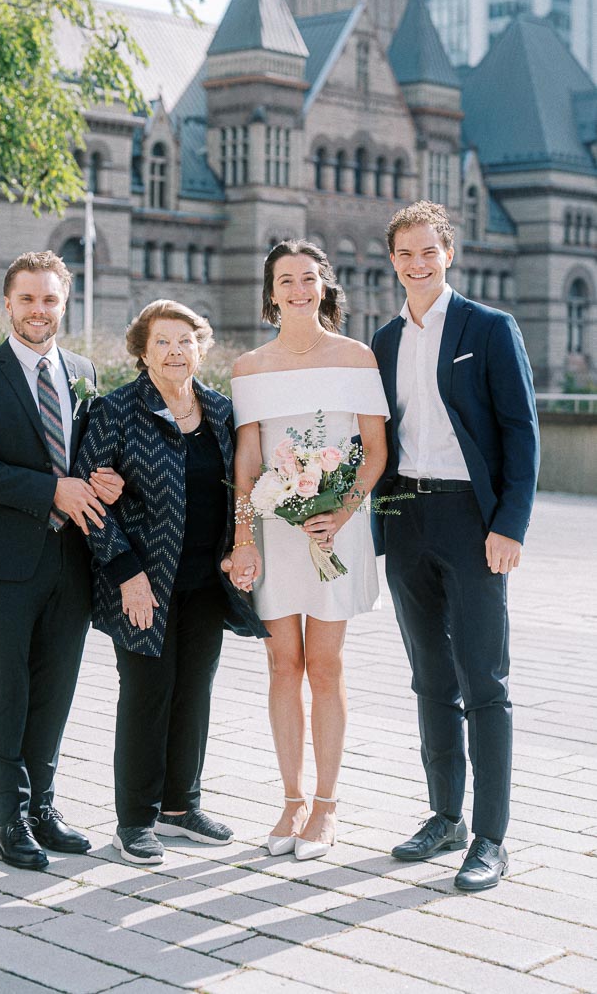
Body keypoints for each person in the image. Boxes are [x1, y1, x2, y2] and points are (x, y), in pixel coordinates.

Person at [371, 201, 539, 892]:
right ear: (393, 261)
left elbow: (521, 432)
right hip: (406, 515)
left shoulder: (489, 328)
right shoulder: (382, 340)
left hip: (473, 521)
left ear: (449, 254)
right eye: (404, 253)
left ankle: (491, 837)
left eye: (427, 251)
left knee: (484, 681)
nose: (417, 263)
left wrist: (510, 527)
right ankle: (445, 817)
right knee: (429, 678)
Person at [73, 299, 266, 866]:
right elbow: (90, 502)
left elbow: (243, 488)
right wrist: (127, 573)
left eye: (185, 340)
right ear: (141, 350)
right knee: (147, 696)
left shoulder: (223, 412)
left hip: (208, 581)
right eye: (162, 342)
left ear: (200, 346)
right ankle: (134, 821)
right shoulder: (117, 410)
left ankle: (181, 807)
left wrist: (241, 546)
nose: (176, 351)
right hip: (142, 581)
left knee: (194, 692)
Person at [0, 250, 121, 871]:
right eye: (27, 299)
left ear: (64, 303)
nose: (38, 310)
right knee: (6, 688)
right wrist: (52, 490)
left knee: (55, 687)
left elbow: (94, 451)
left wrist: (104, 480)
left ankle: (44, 808)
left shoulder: (83, 370)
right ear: (7, 303)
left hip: (74, 559)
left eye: (49, 299)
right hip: (10, 562)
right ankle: (8, 819)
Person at [229, 241, 388, 859]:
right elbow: (247, 459)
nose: (298, 289)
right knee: (280, 667)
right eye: (285, 280)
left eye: (308, 278)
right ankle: (290, 800)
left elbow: (373, 452)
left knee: (324, 667)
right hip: (272, 530)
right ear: (271, 292)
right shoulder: (249, 366)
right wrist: (244, 537)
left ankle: (326, 806)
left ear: (324, 286)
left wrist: (340, 513)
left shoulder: (357, 357)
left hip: (335, 527)